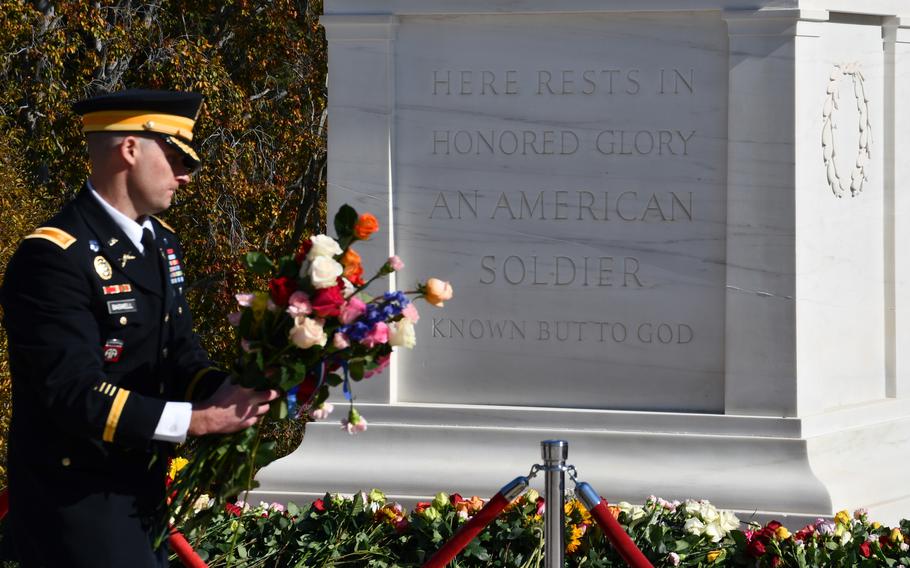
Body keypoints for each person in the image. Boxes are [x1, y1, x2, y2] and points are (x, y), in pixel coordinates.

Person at [0, 89, 278, 567]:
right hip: (75, 504)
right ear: (130, 149)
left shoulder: (161, 245)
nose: (185, 176)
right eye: (174, 158)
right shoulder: (52, 256)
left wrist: (232, 390)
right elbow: (72, 392)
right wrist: (195, 420)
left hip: (140, 497)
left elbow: (177, 355)